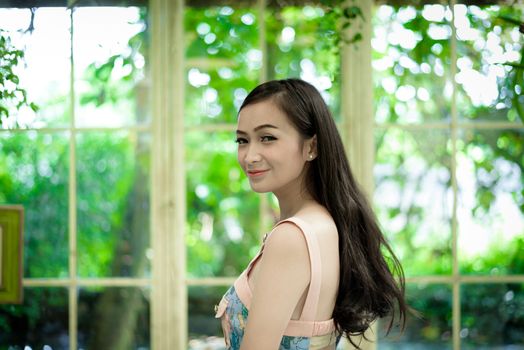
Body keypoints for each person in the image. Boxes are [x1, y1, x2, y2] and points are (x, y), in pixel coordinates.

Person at [214, 78, 407, 350]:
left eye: (267, 137)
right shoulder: (323, 223)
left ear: (312, 147)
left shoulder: (292, 236)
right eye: (242, 140)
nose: (250, 156)